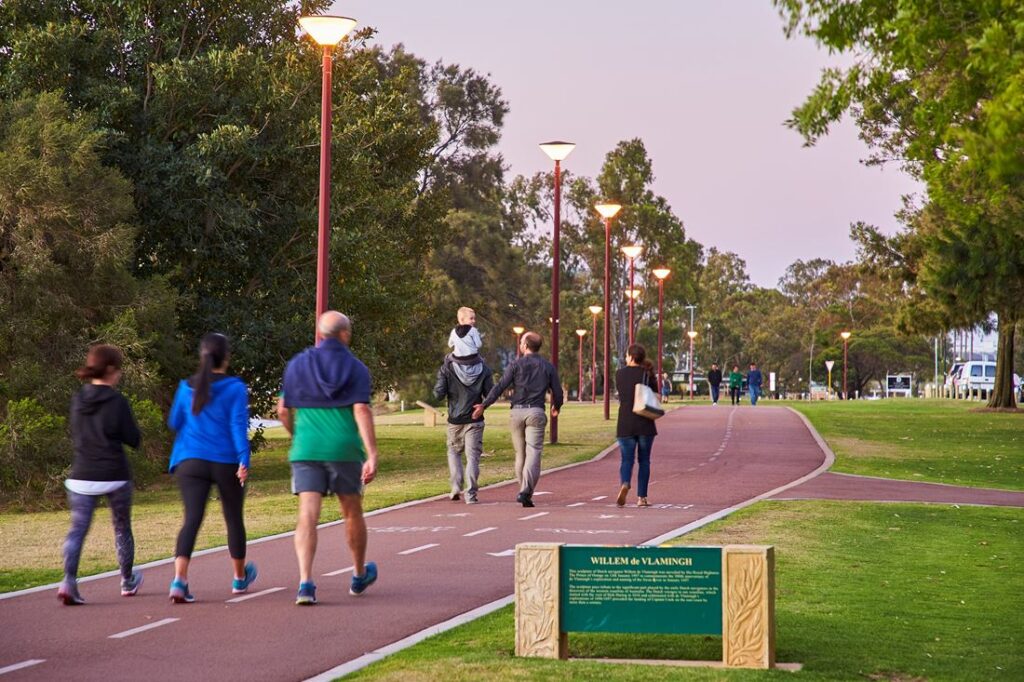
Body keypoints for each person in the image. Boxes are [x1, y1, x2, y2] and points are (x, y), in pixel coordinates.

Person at [277, 311, 379, 605]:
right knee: (351, 512)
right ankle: (359, 575)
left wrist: (296, 435)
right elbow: (361, 410)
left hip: (306, 449)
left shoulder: (297, 365)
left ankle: (306, 583)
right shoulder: (356, 367)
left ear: (321, 334)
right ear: (345, 335)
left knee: (308, 515)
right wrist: (371, 453)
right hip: (343, 449)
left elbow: (283, 410)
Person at [166, 333, 256, 603]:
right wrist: (244, 460)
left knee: (192, 519)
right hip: (226, 460)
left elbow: (174, 422)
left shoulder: (185, 387)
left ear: (201, 355)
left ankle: (179, 581)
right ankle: (239, 579)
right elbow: (238, 427)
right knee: (233, 517)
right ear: (226, 358)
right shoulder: (236, 388)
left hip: (190, 460)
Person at [59, 344, 143, 605]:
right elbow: (134, 438)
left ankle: (68, 581)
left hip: (82, 474)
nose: (119, 375)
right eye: (118, 370)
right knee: (121, 527)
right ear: (110, 370)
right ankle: (127, 580)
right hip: (114, 474)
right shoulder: (117, 401)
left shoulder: (78, 399)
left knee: (77, 530)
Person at [472, 331, 562, 508]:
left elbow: (500, 386)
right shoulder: (547, 366)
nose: (520, 344)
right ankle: (526, 491)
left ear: (525, 346)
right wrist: (556, 406)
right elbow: (557, 392)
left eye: (521, 342)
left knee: (520, 453)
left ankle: (523, 489)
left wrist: (484, 405)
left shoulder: (515, 364)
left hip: (517, 412)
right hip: (536, 411)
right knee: (534, 452)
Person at [433, 351, 494, 503]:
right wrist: (483, 405)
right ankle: (471, 495)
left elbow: (438, 395)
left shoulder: (447, 369)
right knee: (473, 457)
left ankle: (455, 486)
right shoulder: (484, 369)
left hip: (455, 420)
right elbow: (490, 393)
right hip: (475, 418)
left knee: (454, 452)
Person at [615, 345, 660, 508]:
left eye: (627, 356)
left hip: (625, 422)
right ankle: (642, 497)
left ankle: (625, 482)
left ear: (631, 357)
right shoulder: (647, 374)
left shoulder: (619, 374)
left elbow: (622, 395)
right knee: (644, 460)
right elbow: (657, 396)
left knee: (626, 459)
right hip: (645, 421)